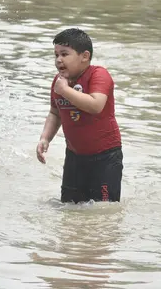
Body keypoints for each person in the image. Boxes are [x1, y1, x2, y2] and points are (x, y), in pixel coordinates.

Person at [36, 28, 123, 204]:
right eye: (56, 55)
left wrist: (65, 90)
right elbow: (55, 113)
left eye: (64, 54)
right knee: (69, 208)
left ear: (84, 56)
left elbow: (96, 105)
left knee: (103, 211)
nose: (58, 60)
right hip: (74, 157)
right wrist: (45, 138)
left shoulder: (98, 75)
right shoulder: (59, 82)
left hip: (105, 158)